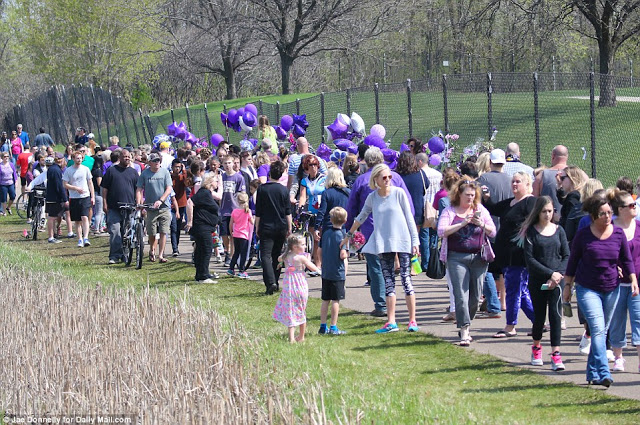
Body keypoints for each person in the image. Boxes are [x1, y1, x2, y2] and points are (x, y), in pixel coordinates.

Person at [564, 191, 638, 387]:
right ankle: (604, 372)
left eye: (609, 213)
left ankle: (592, 373)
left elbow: (626, 259)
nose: (607, 217)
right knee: (597, 329)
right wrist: (567, 285)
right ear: (593, 215)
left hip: (611, 287)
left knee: (602, 330)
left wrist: (632, 279)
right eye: (603, 213)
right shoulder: (583, 235)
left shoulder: (618, 234)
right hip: (587, 288)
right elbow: (572, 262)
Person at [346, 164, 420, 334]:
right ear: (376, 180)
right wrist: (349, 234)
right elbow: (362, 216)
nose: (387, 180)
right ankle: (391, 321)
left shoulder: (399, 193)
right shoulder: (372, 197)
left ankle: (412, 320)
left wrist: (415, 242)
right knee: (388, 283)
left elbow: (409, 218)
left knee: (406, 280)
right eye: (384, 178)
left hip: (403, 241)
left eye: (389, 177)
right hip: (383, 243)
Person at [438, 177, 496, 345]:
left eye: (472, 195)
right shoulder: (449, 211)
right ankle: (464, 330)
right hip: (456, 257)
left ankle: (466, 321)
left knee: (476, 296)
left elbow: (493, 232)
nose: (470, 198)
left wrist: (481, 224)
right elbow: (442, 231)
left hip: (479, 257)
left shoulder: (480, 210)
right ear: (459, 194)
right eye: (467, 195)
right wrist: (462, 223)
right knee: (460, 295)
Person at [485, 172, 537, 338]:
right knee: (520, 290)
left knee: (514, 290)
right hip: (506, 255)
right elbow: (493, 208)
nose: (514, 185)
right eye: (513, 182)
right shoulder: (511, 202)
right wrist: (485, 197)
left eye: (518, 182)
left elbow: (538, 223)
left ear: (527, 183)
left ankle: (510, 326)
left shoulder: (530, 202)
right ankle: (539, 321)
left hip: (519, 255)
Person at [522, 196, 570, 370]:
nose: (548, 214)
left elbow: (566, 255)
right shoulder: (531, 232)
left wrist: (558, 275)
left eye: (551, 211)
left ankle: (556, 354)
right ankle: (536, 346)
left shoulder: (559, 230)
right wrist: (550, 273)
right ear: (538, 212)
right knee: (540, 317)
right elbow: (530, 259)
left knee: (556, 317)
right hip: (538, 281)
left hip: (557, 282)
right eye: (544, 211)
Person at [477, 149, 513, 313]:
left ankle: (492, 299)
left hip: (488, 227)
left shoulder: (483, 179)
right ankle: (503, 300)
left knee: (488, 266)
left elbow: (477, 202)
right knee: (504, 268)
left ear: (490, 162)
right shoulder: (511, 180)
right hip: (505, 227)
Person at [608, 189, 640, 373]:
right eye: (630, 205)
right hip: (616, 284)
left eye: (634, 203)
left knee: (638, 320)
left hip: (638, 284)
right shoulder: (610, 227)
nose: (634, 206)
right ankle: (618, 357)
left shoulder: (639, 226)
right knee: (617, 320)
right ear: (620, 209)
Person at [273, 234, 319, 343]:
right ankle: (301, 336)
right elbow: (311, 266)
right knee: (301, 309)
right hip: (300, 285)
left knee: (291, 310)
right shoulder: (301, 257)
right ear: (294, 247)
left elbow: (279, 258)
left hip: (289, 287)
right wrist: (319, 270)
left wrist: (282, 261)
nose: (305, 246)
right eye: (303, 244)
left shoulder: (286, 256)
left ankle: (291, 337)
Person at [255, 161, 292, 295]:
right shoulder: (283, 190)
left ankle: (270, 282)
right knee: (277, 254)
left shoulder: (262, 189)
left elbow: (258, 211)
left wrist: (257, 226)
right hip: (281, 226)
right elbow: (288, 211)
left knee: (265, 255)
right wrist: (289, 227)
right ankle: (275, 280)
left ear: (270, 173)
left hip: (266, 225)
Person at [136, 152, 173, 263]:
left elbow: (169, 189)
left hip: (164, 207)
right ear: (149, 162)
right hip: (150, 208)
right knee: (152, 232)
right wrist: (139, 203)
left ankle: (161, 255)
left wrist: (161, 200)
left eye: (158, 160)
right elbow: (139, 189)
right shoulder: (145, 174)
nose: (157, 163)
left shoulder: (165, 172)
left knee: (163, 231)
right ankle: (152, 249)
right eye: (155, 161)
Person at [319, 207, 349, 336]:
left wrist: (322, 262)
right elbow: (342, 255)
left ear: (330, 219)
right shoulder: (343, 236)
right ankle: (333, 326)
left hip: (326, 271)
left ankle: (322, 325)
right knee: (335, 300)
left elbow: (319, 251)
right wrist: (348, 251)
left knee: (325, 299)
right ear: (345, 220)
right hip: (338, 272)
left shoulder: (325, 233)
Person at [396, 151, 427, 275]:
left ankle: (398, 262)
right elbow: (426, 186)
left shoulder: (397, 175)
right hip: (417, 209)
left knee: (399, 237)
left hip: (400, 210)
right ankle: (414, 266)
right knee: (414, 238)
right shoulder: (420, 173)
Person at [184, 176, 220, 284]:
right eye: (216, 180)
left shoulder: (207, 193)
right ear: (210, 182)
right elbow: (190, 202)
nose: (217, 182)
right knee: (206, 249)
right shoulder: (204, 192)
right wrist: (189, 221)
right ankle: (203, 276)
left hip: (206, 226)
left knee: (201, 250)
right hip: (201, 226)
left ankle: (201, 274)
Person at [298, 154, 326, 272]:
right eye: (311, 165)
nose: (314, 167)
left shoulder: (324, 178)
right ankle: (317, 265)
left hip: (323, 211)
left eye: (315, 165)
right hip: (312, 211)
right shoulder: (304, 181)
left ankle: (322, 263)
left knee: (322, 238)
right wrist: (300, 207)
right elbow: (303, 196)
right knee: (315, 239)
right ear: (306, 167)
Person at [62, 150, 95, 247]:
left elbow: (90, 183)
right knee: (77, 220)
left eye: (80, 158)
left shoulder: (86, 169)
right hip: (74, 197)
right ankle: (80, 239)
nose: (79, 160)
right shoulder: (69, 170)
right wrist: (75, 188)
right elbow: (65, 184)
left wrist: (92, 196)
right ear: (73, 159)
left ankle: (86, 237)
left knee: (85, 217)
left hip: (85, 196)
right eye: (77, 158)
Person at [220, 154, 246, 267]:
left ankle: (231, 256)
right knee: (224, 233)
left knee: (233, 234)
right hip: (223, 209)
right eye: (225, 163)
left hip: (235, 210)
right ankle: (227, 250)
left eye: (229, 163)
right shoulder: (221, 177)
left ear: (233, 163)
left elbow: (242, 193)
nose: (227, 165)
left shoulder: (239, 178)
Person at [533, 145, 568, 221]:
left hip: (547, 223)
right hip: (571, 222)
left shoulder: (541, 176)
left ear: (553, 156)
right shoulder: (579, 174)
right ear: (567, 156)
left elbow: (533, 202)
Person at [227, 192, 254, 279]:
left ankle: (231, 268)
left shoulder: (234, 211)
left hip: (236, 235)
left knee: (236, 252)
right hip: (244, 235)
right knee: (243, 254)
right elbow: (252, 222)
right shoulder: (247, 211)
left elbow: (231, 223)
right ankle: (241, 270)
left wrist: (231, 232)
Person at [45, 154, 68, 244]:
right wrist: (64, 198)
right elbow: (59, 186)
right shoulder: (56, 170)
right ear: (61, 161)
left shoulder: (53, 169)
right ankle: (51, 237)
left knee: (53, 217)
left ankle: (53, 234)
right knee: (52, 217)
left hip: (52, 196)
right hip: (54, 197)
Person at [170, 159, 188, 256]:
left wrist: (184, 171)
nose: (177, 169)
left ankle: (176, 245)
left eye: (179, 167)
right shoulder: (169, 176)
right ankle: (175, 248)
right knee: (173, 227)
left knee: (178, 226)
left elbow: (186, 183)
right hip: (171, 204)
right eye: (175, 167)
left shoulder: (182, 177)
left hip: (181, 204)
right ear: (172, 167)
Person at [91, 156, 105, 235]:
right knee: (99, 212)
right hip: (99, 193)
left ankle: (99, 227)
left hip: (94, 192)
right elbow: (99, 183)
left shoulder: (92, 171)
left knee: (99, 211)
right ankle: (97, 228)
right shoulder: (98, 172)